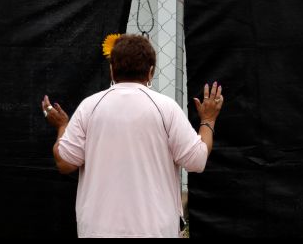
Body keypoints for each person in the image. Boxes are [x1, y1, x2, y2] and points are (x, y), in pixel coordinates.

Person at [41, 34, 224, 238]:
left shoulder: (89, 107)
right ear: (150, 72)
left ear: (112, 69)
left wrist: (62, 127)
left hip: (98, 231)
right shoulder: (166, 108)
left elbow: (65, 162)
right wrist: (208, 120)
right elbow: (197, 160)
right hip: (154, 231)